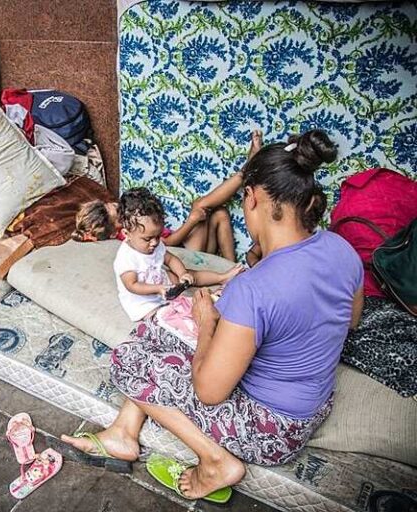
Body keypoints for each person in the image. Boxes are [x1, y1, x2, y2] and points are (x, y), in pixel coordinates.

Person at [61, 129, 364, 500]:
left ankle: (216, 461)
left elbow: (208, 392)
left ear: (251, 199)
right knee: (154, 332)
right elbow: (349, 320)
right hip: (314, 406)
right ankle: (123, 432)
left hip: (270, 431)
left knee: (127, 359)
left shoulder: (254, 288)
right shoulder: (343, 250)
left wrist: (207, 322)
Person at [72, 130, 263, 262]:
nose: (116, 204)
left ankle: (230, 266)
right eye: (116, 210)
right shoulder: (128, 234)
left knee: (219, 213)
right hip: (182, 255)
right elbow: (168, 243)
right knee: (200, 206)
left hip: (185, 248)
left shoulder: (128, 224)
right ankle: (247, 170)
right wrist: (191, 220)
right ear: (114, 231)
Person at [114, 188, 242, 322]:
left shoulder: (155, 244)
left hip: (161, 282)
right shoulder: (126, 257)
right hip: (144, 303)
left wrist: (182, 274)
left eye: (158, 236)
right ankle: (199, 309)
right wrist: (158, 289)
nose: (154, 243)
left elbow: (170, 259)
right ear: (126, 234)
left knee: (190, 275)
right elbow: (132, 285)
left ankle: (222, 277)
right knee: (165, 316)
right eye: (148, 239)